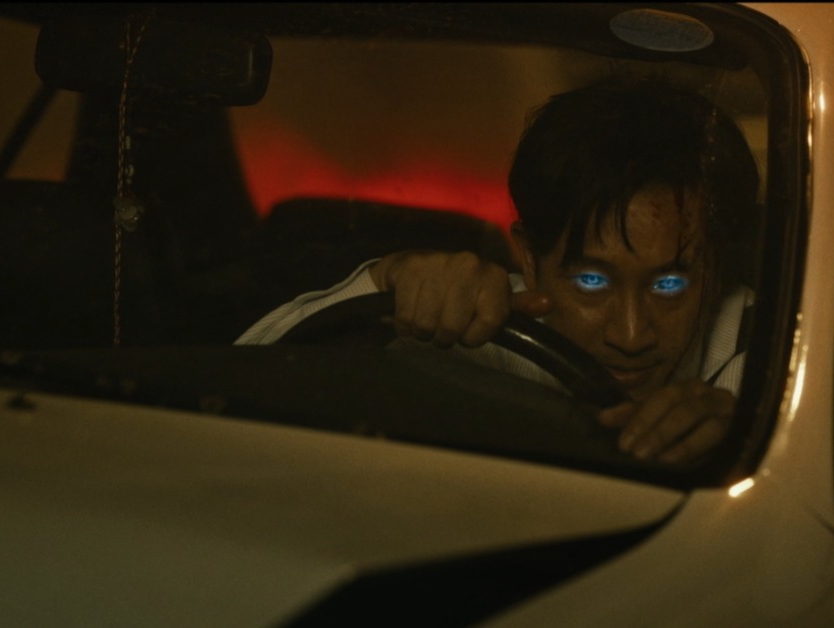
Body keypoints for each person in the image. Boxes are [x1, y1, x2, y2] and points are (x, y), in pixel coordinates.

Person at [237, 77, 759, 465]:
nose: (630, 335)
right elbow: (235, 391)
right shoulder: (467, 326)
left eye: (669, 284)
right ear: (529, 260)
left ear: (717, 272)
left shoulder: (775, 359)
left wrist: (755, 438)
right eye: (591, 281)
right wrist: (383, 284)